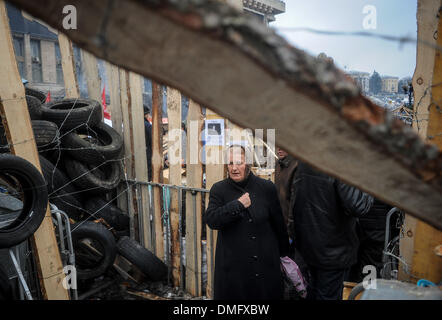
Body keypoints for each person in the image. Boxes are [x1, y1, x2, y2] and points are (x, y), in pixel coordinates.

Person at [204, 145, 290, 300]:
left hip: (265, 267)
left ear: (248, 164)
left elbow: (279, 225)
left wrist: (285, 255)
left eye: (239, 163)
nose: (234, 168)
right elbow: (212, 220)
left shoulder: (266, 188)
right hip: (234, 271)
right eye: (230, 163)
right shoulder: (219, 189)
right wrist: (237, 205)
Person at [290, 162, 373, 300]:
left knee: (314, 291)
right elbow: (359, 205)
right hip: (333, 250)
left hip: (311, 244)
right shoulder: (341, 163)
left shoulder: (306, 159)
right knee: (327, 294)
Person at [274, 147, 298, 243]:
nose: (279, 149)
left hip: (292, 226)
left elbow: (295, 201)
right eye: (277, 145)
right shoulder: (278, 164)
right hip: (281, 221)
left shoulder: (297, 166)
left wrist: (291, 229)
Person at [143, 104, 152, 181]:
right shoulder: (147, 125)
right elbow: (153, 141)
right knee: (148, 176)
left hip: (136, 154)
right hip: (147, 154)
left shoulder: (133, 124)